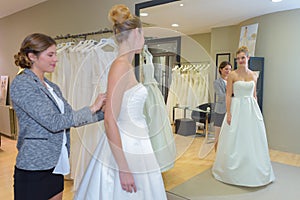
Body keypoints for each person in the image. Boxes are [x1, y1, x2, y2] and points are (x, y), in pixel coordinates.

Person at [75, 5, 167, 199]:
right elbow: (110, 120)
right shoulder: (121, 66)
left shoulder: (124, 65)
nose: (143, 39)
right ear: (136, 33)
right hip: (127, 145)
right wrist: (124, 168)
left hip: (136, 141)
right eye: (143, 34)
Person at [10, 33, 106, 200]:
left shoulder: (52, 86)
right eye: (50, 55)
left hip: (56, 163)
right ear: (32, 56)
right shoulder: (22, 84)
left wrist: (104, 113)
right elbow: (53, 122)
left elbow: (70, 117)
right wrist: (92, 107)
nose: (56, 59)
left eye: (55, 54)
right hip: (35, 167)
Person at [212, 46, 275, 187]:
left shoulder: (254, 75)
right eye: (238, 58)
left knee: (251, 137)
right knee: (235, 137)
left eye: (242, 57)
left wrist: (257, 112)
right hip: (237, 107)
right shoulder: (232, 75)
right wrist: (228, 113)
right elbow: (228, 95)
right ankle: (232, 168)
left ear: (248, 58)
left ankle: (251, 166)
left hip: (251, 108)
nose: (240, 60)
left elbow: (254, 96)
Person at [142, 45, 176, 172]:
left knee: (155, 123)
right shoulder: (139, 57)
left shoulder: (146, 54)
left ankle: (156, 159)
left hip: (151, 90)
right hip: (146, 90)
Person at [213, 61, 232, 152]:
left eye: (229, 69)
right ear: (221, 69)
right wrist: (231, 96)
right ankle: (217, 154)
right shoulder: (217, 82)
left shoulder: (232, 81)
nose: (228, 71)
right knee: (218, 134)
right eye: (226, 69)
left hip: (231, 110)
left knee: (228, 134)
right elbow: (220, 96)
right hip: (220, 111)